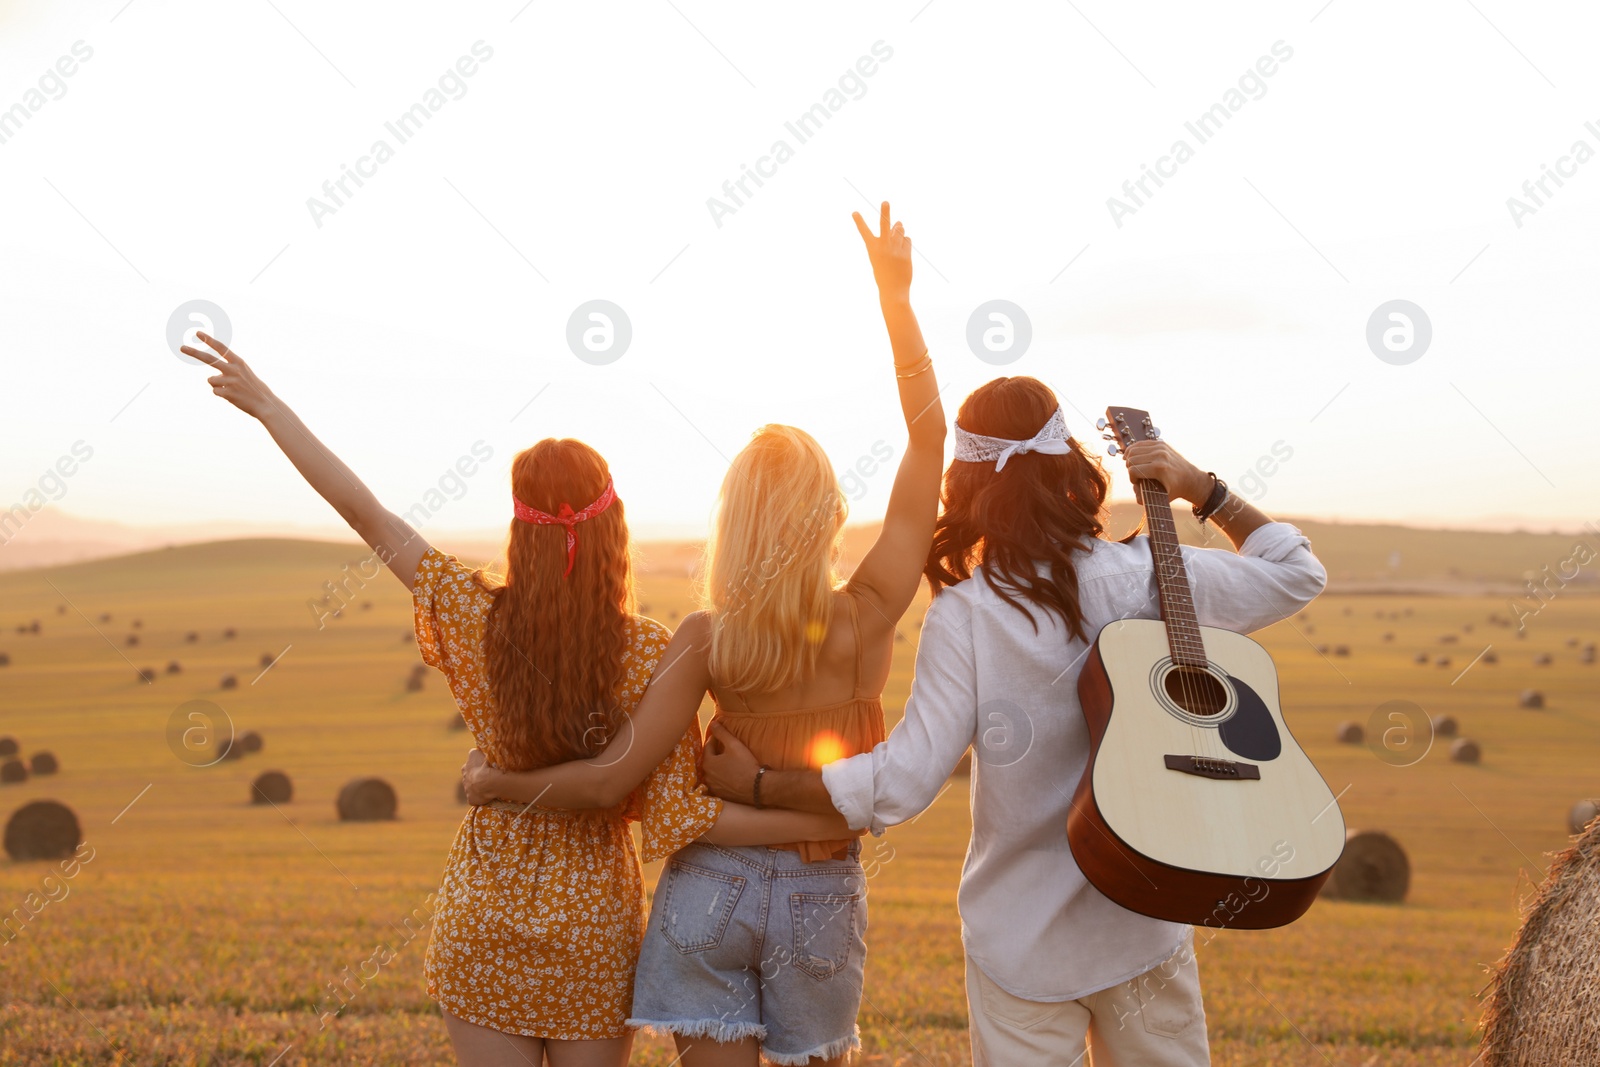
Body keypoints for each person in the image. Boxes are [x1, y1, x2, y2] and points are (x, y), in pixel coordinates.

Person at [182, 333, 847, 1067]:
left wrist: (271, 408)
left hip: (485, 911)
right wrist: (824, 809)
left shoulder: (476, 620)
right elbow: (682, 814)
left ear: (517, 530)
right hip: (593, 930)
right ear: (613, 528)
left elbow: (368, 515)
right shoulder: (649, 652)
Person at [700, 375, 1329, 1066]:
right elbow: (1295, 571)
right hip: (1146, 918)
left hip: (1019, 939)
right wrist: (1200, 487)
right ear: (1070, 467)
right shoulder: (1147, 570)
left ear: (964, 484)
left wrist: (761, 782)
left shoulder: (966, 613)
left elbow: (903, 781)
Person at [460, 201, 945, 1066]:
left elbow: (614, 776)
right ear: (831, 512)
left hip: (706, 896)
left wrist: (497, 777)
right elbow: (926, 438)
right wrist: (896, 302)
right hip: (817, 893)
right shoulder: (871, 612)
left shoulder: (706, 637)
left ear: (737, 523)